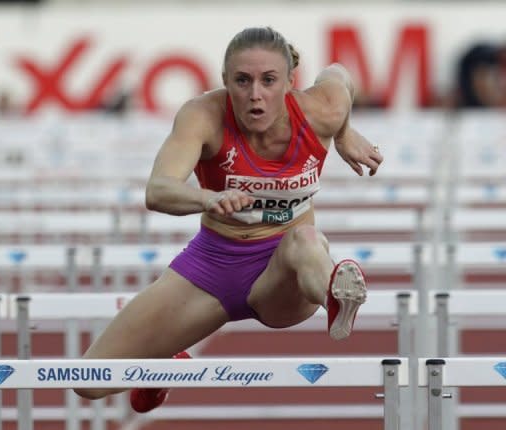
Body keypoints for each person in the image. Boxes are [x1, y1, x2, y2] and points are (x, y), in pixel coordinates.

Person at [74, 26, 383, 412]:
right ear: (224, 81)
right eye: (242, 81)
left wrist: (344, 131)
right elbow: (158, 190)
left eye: (269, 81)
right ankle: (160, 363)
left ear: (290, 82)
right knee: (86, 381)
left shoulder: (323, 110)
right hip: (211, 267)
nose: (255, 94)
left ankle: (335, 295)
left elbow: (340, 74)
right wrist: (208, 197)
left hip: (282, 273)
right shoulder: (202, 115)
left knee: (305, 241)